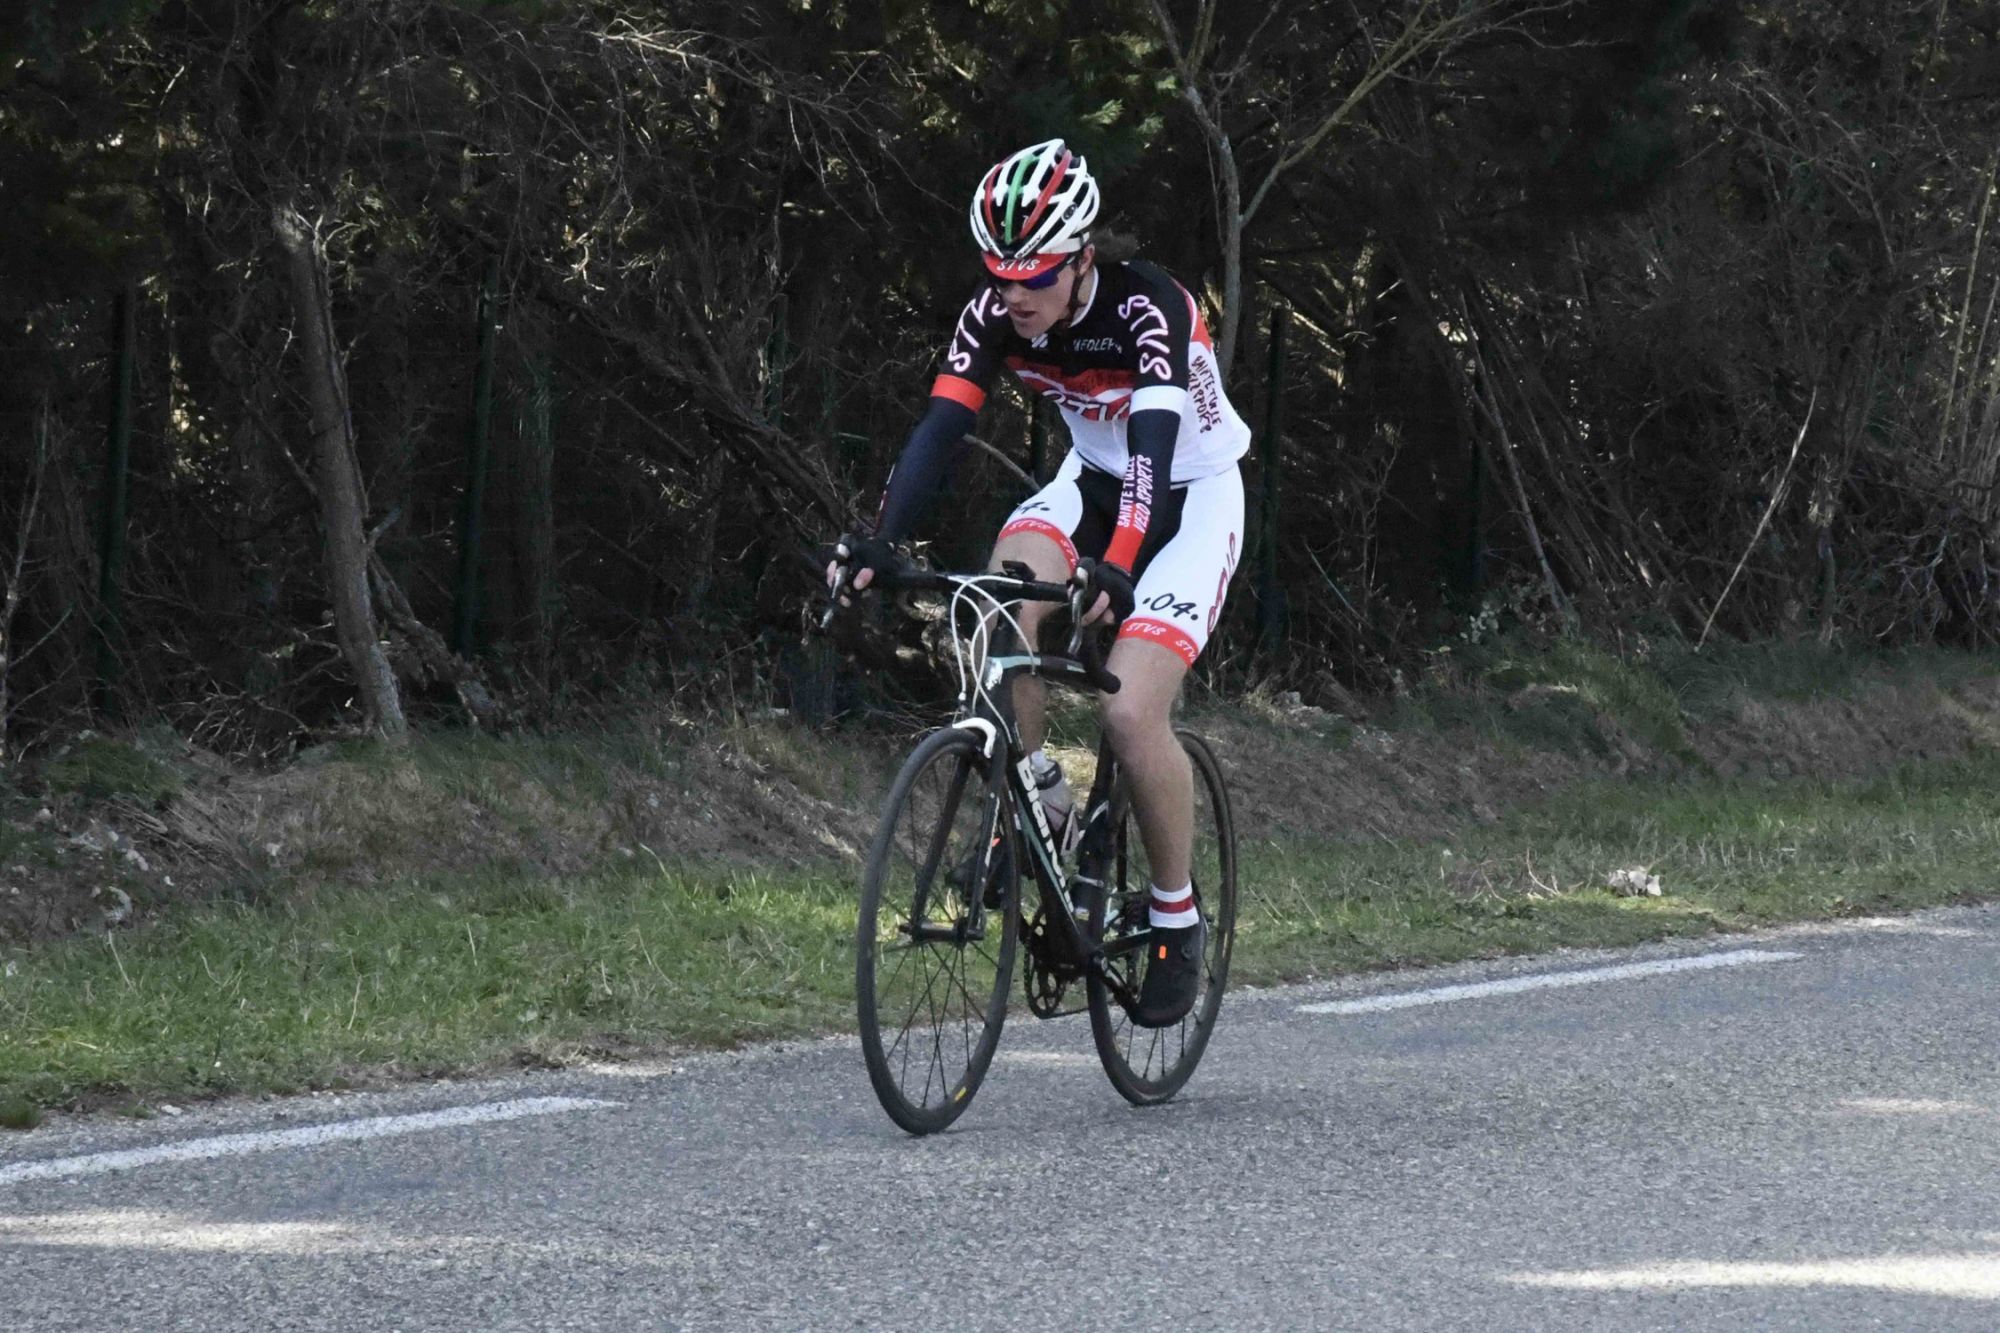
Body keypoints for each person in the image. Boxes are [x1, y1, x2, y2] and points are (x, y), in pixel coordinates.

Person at [832, 138, 1250, 1027]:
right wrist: (879, 539)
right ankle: (1036, 797)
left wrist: (1121, 567)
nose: (1014, 295)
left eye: (1035, 276)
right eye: (999, 275)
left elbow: (1152, 454)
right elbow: (940, 428)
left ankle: (1176, 915)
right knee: (998, 600)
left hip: (1190, 498)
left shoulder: (1150, 307)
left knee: (1128, 713)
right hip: (1090, 484)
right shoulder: (996, 313)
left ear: (1082, 258)